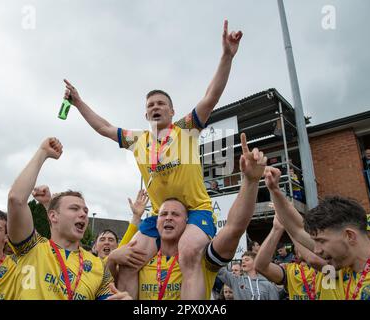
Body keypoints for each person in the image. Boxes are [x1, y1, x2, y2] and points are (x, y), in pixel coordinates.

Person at [63, 20, 243, 299]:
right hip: (160, 215)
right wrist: (78, 102)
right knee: (130, 260)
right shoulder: (138, 140)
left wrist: (226, 56)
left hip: (196, 209)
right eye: (150, 105)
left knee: (189, 253)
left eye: (161, 103)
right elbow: (103, 128)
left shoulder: (185, 129)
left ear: (172, 110)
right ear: (146, 115)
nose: (155, 107)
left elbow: (211, 96)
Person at [108, 133, 267, 299]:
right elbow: (102, 283)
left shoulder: (200, 257)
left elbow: (234, 228)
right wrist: (112, 258)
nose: (168, 217)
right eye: (163, 214)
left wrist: (250, 182)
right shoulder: (139, 259)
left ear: (187, 222)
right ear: (156, 222)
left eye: (175, 214)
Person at [7, 137, 131, 300]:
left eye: (85, 211)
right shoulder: (31, 247)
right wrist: (43, 153)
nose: (83, 214)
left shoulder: (98, 267)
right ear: (53, 216)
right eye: (74, 208)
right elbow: (16, 199)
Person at [264, 166, 370, 300]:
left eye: (321, 241)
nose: (316, 250)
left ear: (349, 236)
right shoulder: (340, 267)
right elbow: (298, 229)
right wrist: (274, 189)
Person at [255, 215, 327, 300]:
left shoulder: (331, 265)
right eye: (300, 243)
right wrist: (277, 229)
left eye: (305, 241)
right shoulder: (290, 270)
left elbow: (313, 259)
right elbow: (260, 266)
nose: (302, 245)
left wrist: (288, 225)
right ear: (295, 252)